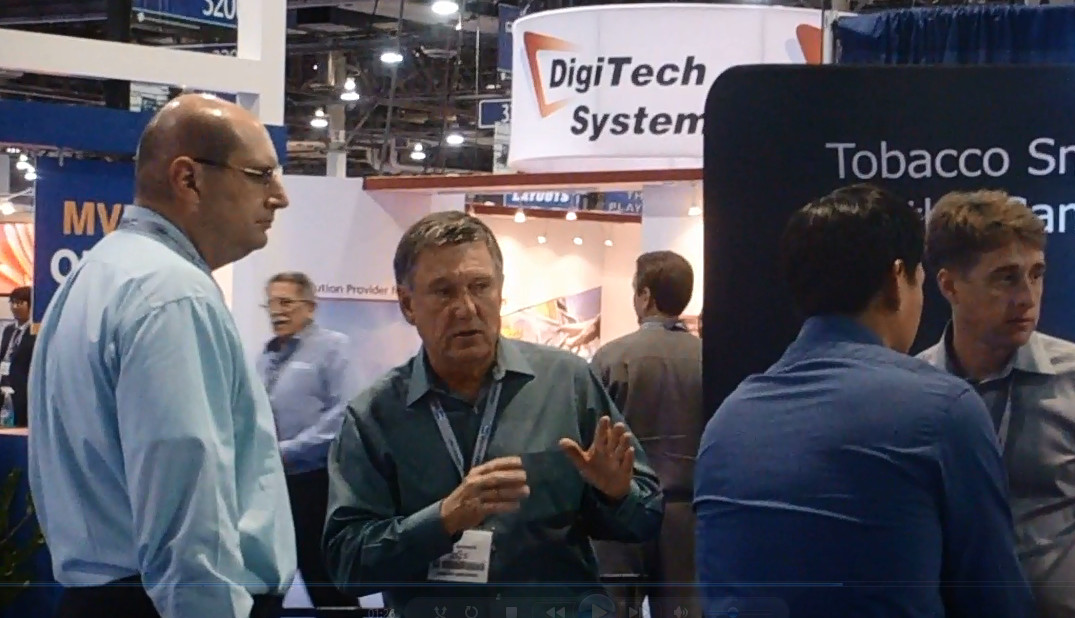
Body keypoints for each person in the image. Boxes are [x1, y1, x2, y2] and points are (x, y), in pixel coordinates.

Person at [695, 184, 1034, 618]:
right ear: (897, 278)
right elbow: (995, 599)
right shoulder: (942, 409)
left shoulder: (727, 422)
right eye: (919, 280)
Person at [27, 94, 296, 618]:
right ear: (188, 179)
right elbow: (188, 521)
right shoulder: (172, 296)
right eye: (260, 174)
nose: (279, 196)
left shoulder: (96, 275)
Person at [323, 211, 664, 618]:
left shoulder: (567, 382)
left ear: (500, 291)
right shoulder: (374, 416)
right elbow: (347, 563)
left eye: (480, 286)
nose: (466, 308)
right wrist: (443, 520)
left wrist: (616, 495)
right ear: (407, 304)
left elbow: (646, 517)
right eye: (444, 292)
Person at [917, 189, 1075, 618]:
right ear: (949, 285)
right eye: (1005, 278)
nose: (1027, 296)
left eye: (1036, 274)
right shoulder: (913, 393)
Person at [590, 251, 704, 618]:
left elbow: (589, 439)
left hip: (623, 513)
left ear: (645, 296)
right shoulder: (710, 359)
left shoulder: (610, 358)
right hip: (689, 516)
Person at [258, 271, 363, 617]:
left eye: (286, 302)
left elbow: (345, 412)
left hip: (316, 483)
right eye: (271, 303)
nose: (277, 311)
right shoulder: (266, 356)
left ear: (310, 307)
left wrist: (289, 451)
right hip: (274, 484)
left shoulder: (333, 347)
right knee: (269, 576)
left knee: (325, 581)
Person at [0, 286, 34, 426]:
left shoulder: (35, 331)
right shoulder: (9, 329)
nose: (15, 307)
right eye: (12, 303)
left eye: (19, 303)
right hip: (4, 384)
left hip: (23, 388)